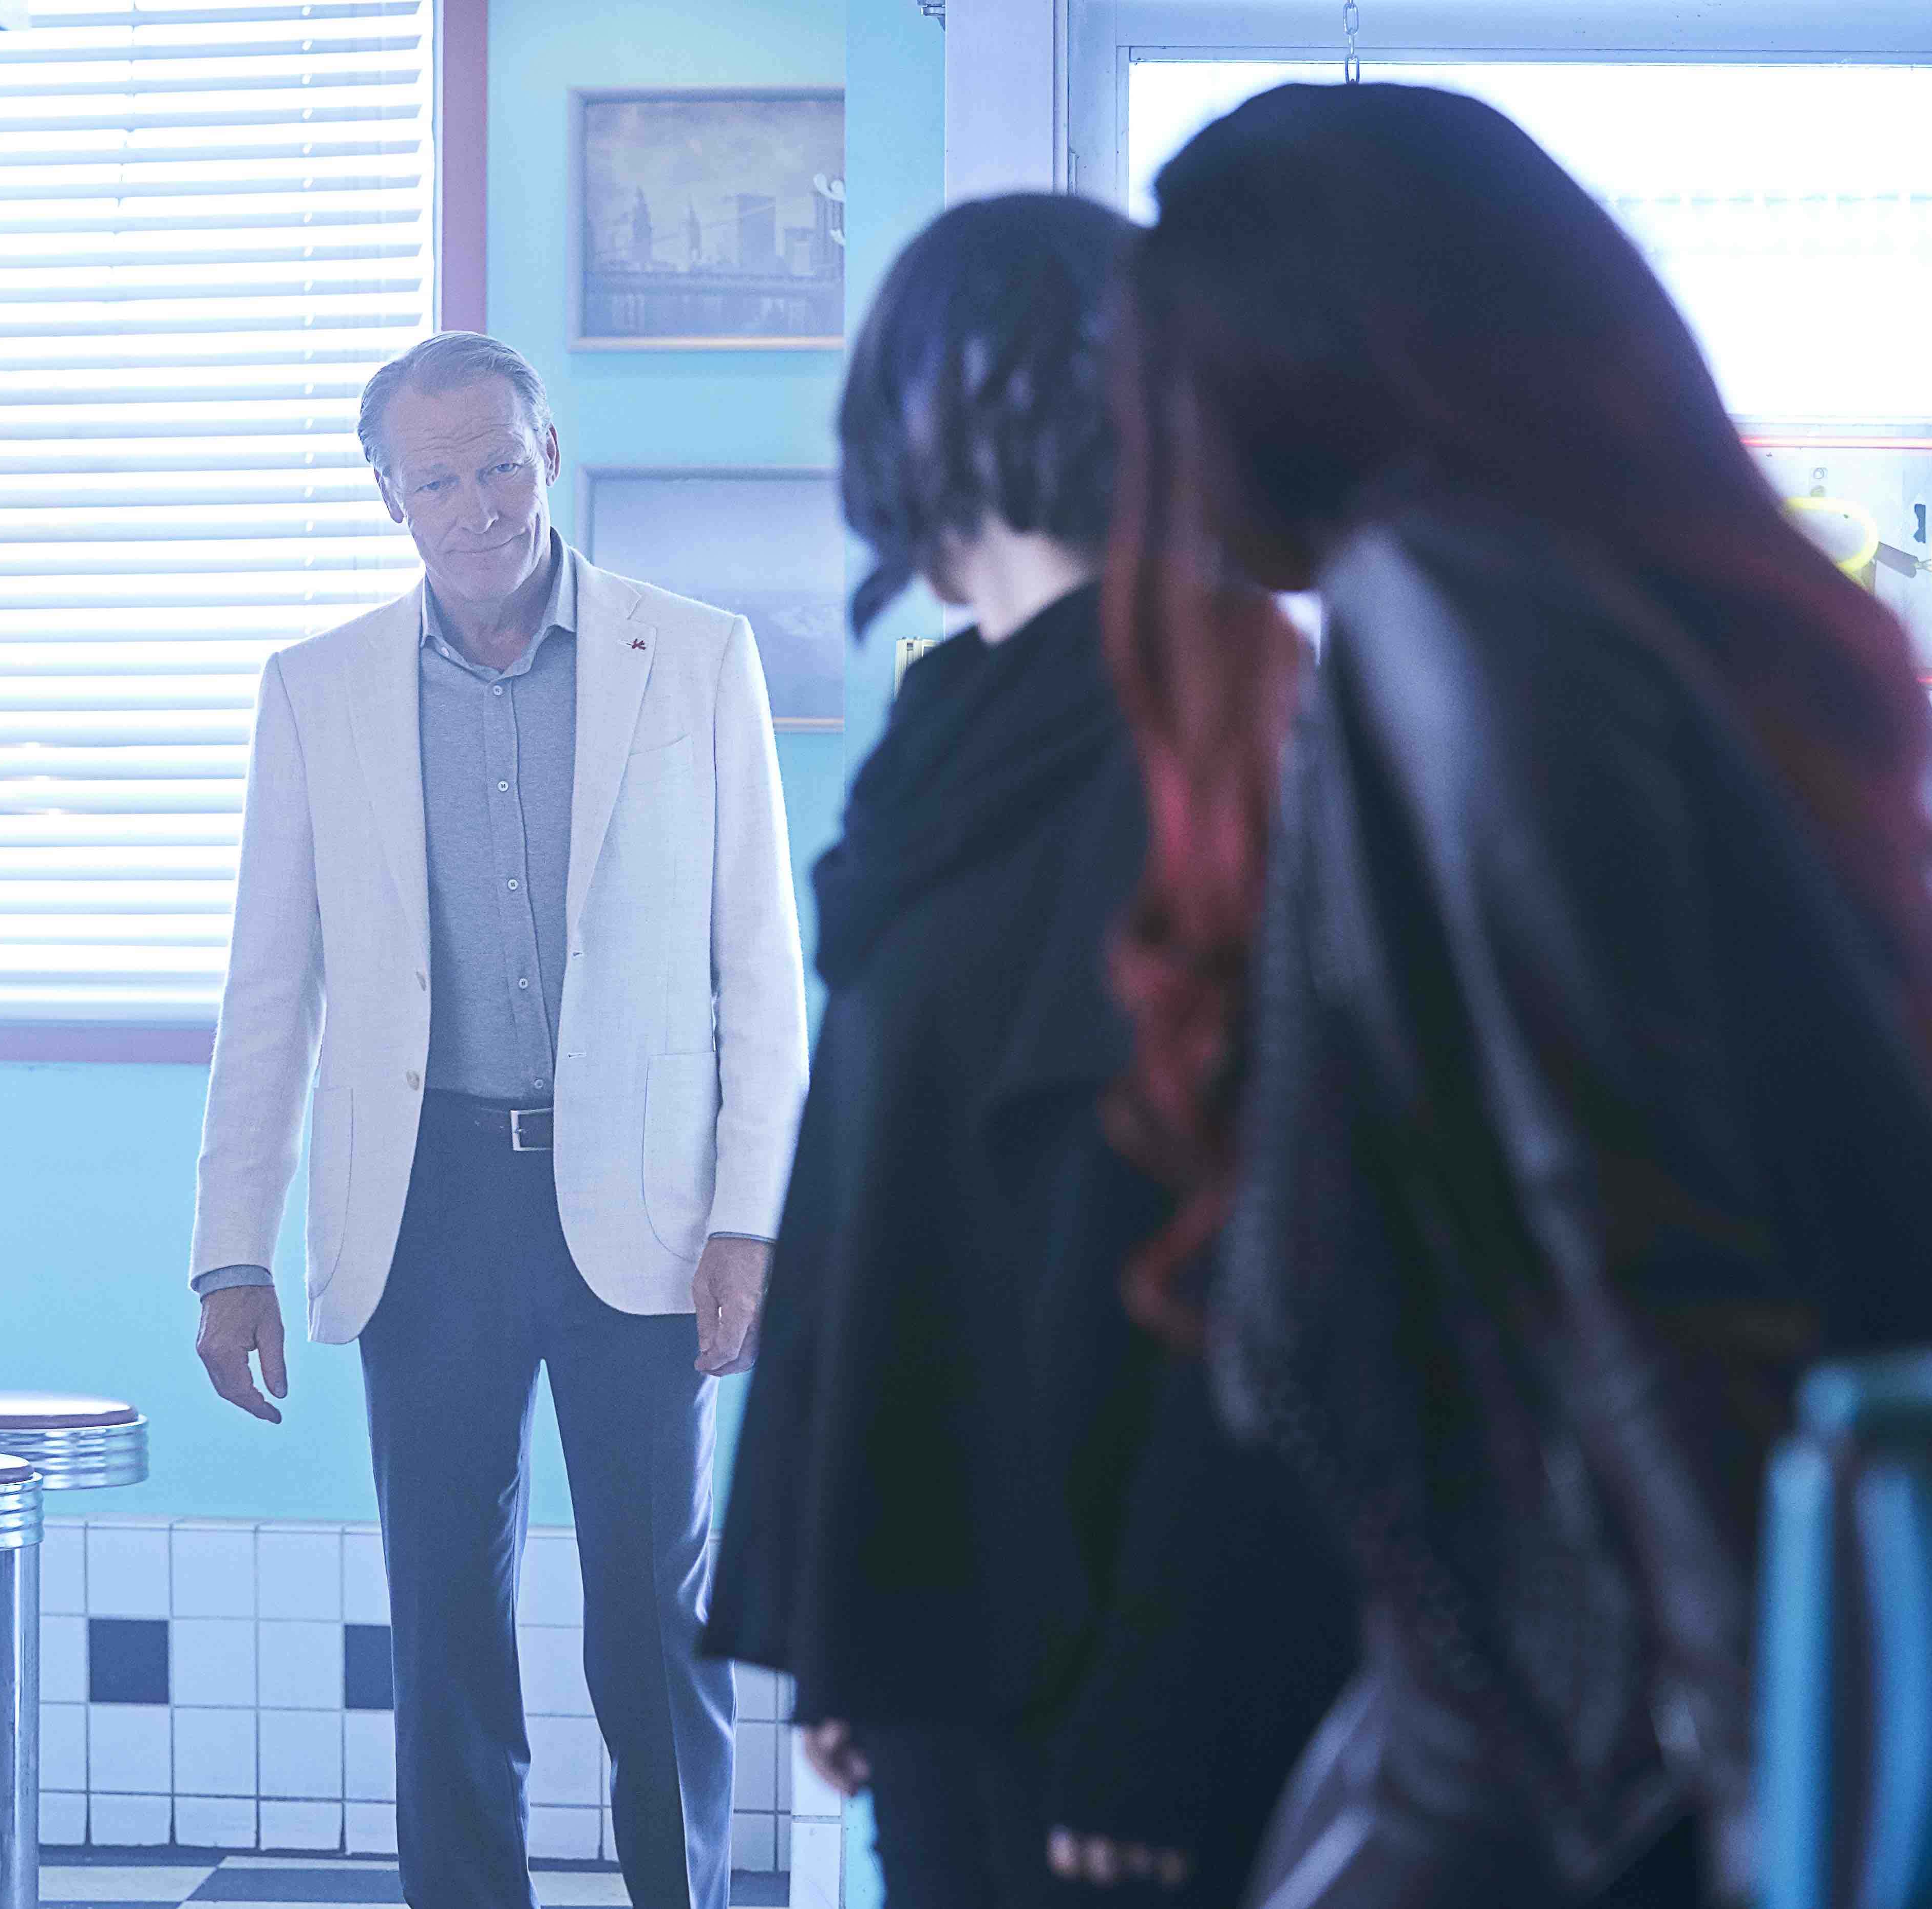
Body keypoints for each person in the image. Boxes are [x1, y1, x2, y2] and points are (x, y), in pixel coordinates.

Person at [1102, 84, 1932, 1909]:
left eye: (1168, 354)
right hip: (1717, 1716)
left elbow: (1636, 1253)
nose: (1146, 428)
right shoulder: (1752, 634)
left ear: (1295, 362)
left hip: (1574, 1784)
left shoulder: (1437, 609)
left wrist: (1775, 1817)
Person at [705, 196, 1354, 1909]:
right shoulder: (955, 722)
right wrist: (847, 1606)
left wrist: (1168, 1688)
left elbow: (1273, 1238)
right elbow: (882, 1178)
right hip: (949, 1611)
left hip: (1128, 1651)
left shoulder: (1220, 723)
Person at [186, 331, 810, 1909]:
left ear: (551, 456)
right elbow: (269, 990)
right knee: (444, 1622)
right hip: (428, 1211)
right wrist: (230, 1254)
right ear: (389, 497)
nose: (476, 507)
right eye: (438, 480)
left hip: (644, 1211)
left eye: (500, 467)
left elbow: (761, 967)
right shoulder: (317, 690)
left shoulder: (697, 657)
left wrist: (751, 1222)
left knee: (650, 1621)